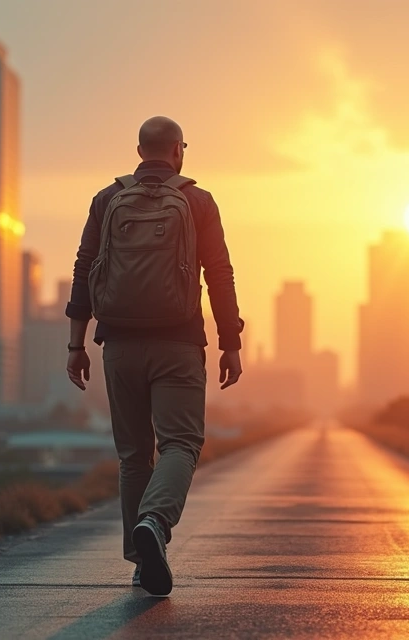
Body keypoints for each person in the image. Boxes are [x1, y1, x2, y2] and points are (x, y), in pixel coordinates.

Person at [64, 116, 244, 596]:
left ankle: (142, 565)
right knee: (181, 444)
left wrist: (75, 343)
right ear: (179, 151)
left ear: (140, 150)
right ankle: (156, 526)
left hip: (118, 345)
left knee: (132, 456)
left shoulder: (107, 200)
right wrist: (231, 342)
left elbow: (84, 270)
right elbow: (219, 274)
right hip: (179, 343)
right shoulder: (198, 200)